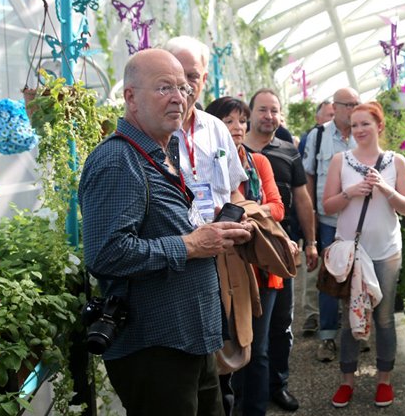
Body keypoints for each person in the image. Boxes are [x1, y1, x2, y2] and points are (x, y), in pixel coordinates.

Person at [79, 48, 252, 415]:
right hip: (155, 349)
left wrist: (211, 232)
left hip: (189, 339)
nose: (179, 97)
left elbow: (170, 225)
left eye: (184, 88)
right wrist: (189, 245)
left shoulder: (161, 151)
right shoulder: (117, 161)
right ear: (130, 97)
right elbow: (106, 253)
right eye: (163, 88)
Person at [320, 102, 405, 409]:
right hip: (352, 254)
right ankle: (347, 380)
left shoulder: (395, 161)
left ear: (379, 127)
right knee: (350, 319)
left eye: (366, 124)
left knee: (385, 318)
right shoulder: (341, 160)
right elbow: (327, 206)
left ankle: (384, 380)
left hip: (386, 252)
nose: (359, 130)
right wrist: (351, 192)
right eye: (354, 125)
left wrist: (385, 189)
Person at [205, 96, 286, 416]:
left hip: (261, 265)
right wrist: (253, 213)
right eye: (229, 121)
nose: (237, 128)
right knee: (226, 345)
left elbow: (278, 208)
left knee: (258, 346)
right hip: (224, 264)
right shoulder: (210, 159)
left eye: (241, 121)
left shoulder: (257, 162)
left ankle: (253, 409)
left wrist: (247, 215)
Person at [241, 88, 318, 414]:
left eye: (274, 110)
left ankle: (278, 385)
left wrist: (311, 242)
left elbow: (302, 199)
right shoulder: (234, 149)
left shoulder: (289, 151)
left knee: (281, 326)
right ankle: (248, 395)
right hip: (245, 253)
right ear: (250, 113)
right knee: (250, 330)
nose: (269, 116)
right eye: (263, 110)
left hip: (281, 251)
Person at [303, 88, 360, 362]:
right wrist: (311, 216)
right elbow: (309, 179)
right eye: (347, 104)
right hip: (328, 222)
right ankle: (327, 337)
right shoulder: (319, 136)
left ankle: (357, 333)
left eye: (356, 104)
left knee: (360, 278)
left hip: (359, 222)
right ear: (334, 107)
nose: (352, 109)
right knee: (329, 279)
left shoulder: (363, 134)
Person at [165, 36, 247, 223]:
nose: (184, 84)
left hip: (220, 245)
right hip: (177, 247)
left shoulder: (217, 128)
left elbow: (233, 191)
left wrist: (240, 214)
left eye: (192, 76)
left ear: (204, 79)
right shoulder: (154, 131)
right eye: (177, 74)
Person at [296, 100, 335, 336]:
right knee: (314, 265)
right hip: (318, 214)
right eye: (329, 114)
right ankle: (312, 314)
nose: (333, 118)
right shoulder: (313, 138)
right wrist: (310, 213)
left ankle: (333, 315)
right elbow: (305, 178)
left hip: (340, 216)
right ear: (318, 118)